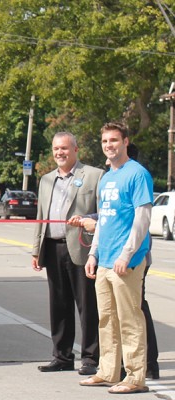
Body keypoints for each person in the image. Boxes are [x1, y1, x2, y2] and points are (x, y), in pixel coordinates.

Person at [69, 144, 159, 381]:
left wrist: (126, 254)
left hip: (125, 260)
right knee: (107, 319)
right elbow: (104, 220)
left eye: (114, 140)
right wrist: (93, 254)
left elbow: (142, 218)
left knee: (130, 319)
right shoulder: (107, 178)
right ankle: (108, 372)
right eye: (105, 140)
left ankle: (135, 377)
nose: (108, 145)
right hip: (105, 261)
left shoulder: (137, 174)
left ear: (125, 142)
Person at [32, 132, 104, 376]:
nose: (59, 153)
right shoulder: (46, 180)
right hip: (53, 247)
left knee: (88, 306)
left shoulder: (94, 176)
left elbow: (104, 213)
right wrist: (36, 250)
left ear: (76, 149)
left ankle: (91, 358)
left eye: (64, 148)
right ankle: (61, 356)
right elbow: (41, 217)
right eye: (56, 149)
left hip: (83, 249)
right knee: (59, 306)